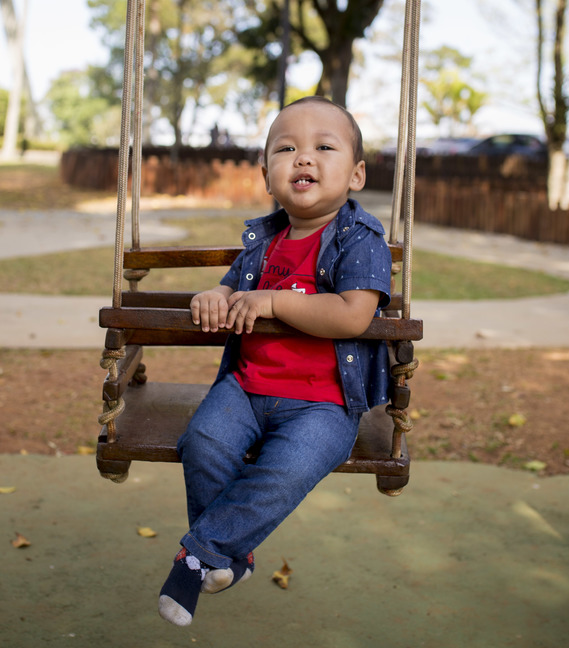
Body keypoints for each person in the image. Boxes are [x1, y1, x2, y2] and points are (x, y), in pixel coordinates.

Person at [158, 96, 393, 626]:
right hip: (245, 388)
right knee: (202, 443)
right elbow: (229, 287)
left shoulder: (362, 240)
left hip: (325, 403)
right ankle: (228, 558)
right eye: (286, 149)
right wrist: (213, 297)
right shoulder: (263, 243)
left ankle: (197, 557)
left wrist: (274, 301)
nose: (303, 158)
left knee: (285, 471)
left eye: (323, 147)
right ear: (267, 176)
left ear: (355, 174)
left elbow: (354, 315)